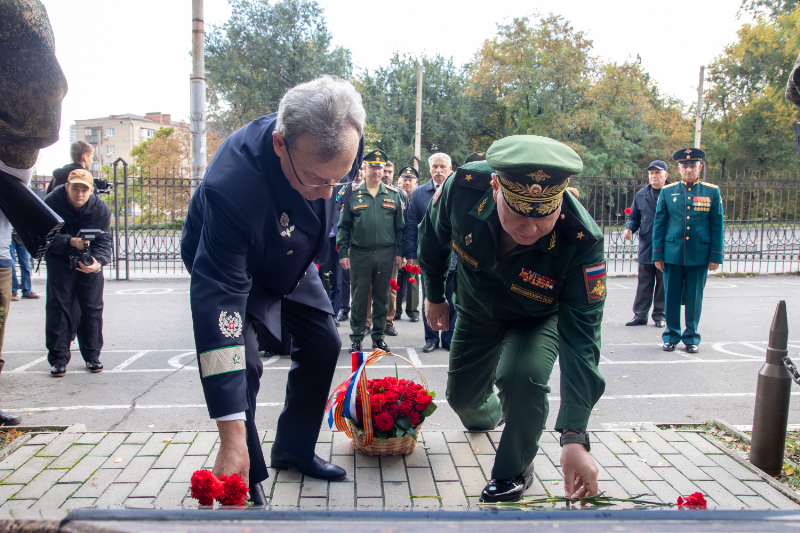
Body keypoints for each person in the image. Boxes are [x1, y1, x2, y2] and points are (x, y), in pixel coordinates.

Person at [181, 76, 365, 505]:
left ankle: (294, 449)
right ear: (281, 144)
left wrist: (322, 182)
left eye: (338, 180)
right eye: (316, 179)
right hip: (236, 265)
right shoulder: (230, 189)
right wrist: (229, 435)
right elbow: (219, 307)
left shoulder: (341, 135)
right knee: (243, 362)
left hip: (293, 258)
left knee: (324, 342)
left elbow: (325, 187)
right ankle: (244, 468)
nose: (327, 193)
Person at [418, 135, 606, 503]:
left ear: (561, 200)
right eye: (518, 212)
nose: (529, 228)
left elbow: (582, 342)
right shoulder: (463, 189)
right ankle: (500, 414)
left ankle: (513, 469)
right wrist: (435, 296)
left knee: (523, 379)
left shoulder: (582, 242)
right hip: (477, 309)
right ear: (495, 188)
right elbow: (432, 238)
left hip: (536, 318)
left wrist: (574, 438)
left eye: (544, 215)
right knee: (463, 400)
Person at [653, 148, 723, 354]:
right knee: (671, 296)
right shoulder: (668, 191)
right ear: (679, 169)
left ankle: (691, 337)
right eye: (685, 167)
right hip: (672, 253)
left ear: (699, 168)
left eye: (693, 166)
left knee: (694, 298)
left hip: (699, 254)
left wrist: (715, 255)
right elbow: (659, 224)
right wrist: (658, 254)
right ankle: (671, 336)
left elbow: (717, 225)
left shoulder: (711, 191)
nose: (689, 170)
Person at [44, 170, 111, 377]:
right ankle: (58, 360)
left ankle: (92, 356)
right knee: (59, 308)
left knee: (92, 309)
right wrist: (69, 241)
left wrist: (98, 264)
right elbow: (42, 238)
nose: (79, 194)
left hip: (89, 262)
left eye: (84, 189)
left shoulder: (100, 209)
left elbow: (104, 241)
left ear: (91, 190)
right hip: (59, 261)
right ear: (67, 187)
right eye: (75, 188)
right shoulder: (51, 203)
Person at [337, 149, 404, 352]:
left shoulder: (393, 195)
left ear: (384, 170)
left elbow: (400, 228)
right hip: (360, 254)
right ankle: (357, 337)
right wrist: (343, 252)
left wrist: (400, 252)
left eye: (380, 168)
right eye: (373, 167)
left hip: (386, 254)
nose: (376, 172)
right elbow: (343, 227)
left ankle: (378, 337)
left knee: (382, 297)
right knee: (358, 298)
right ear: (365, 169)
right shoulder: (353, 194)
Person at [405, 153, 457, 353]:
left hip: (455, 257)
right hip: (430, 259)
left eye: (443, 166)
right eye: (435, 166)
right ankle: (431, 338)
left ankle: (449, 338)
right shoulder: (419, 193)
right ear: (430, 169)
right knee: (430, 299)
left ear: (450, 169)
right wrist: (411, 253)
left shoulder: (457, 191)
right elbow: (411, 225)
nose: (439, 170)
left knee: (452, 300)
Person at [622, 161, 671, 328]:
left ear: (666, 175)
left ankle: (660, 315)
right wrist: (629, 229)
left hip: (666, 245)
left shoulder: (674, 192)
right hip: (647, 244)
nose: (654, 176)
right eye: (651, 173)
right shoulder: (641, 194)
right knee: (644, 282)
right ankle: (640, 315)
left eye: (657, 173)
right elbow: (634, 217)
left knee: (663, 283)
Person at [336, 163, 366, 323]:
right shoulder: (345, 189)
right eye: (356, 169)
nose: (359, 172)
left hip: (363, 244)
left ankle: (360, 312)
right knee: (345, 278)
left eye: (361, 169)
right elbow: (339, 213)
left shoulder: (369, 190)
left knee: (361, 282)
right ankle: (344, 308)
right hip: (348, 241)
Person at [395, 166, 420, 322]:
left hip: (413, 245)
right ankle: (396, 311)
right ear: (399, 182)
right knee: (396, 280)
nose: (407, 183)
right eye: (404, 180)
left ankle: (413, 311)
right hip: (397, 244)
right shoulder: (394, 196)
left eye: (410, 180)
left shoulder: (418, 198)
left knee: (413, 279)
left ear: (415, 183)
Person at [10, 230, 39, 300]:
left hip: (23, 238)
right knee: (11, 266)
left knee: (26, 266)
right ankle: (13, 291)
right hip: (9, 237)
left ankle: (27, 291)